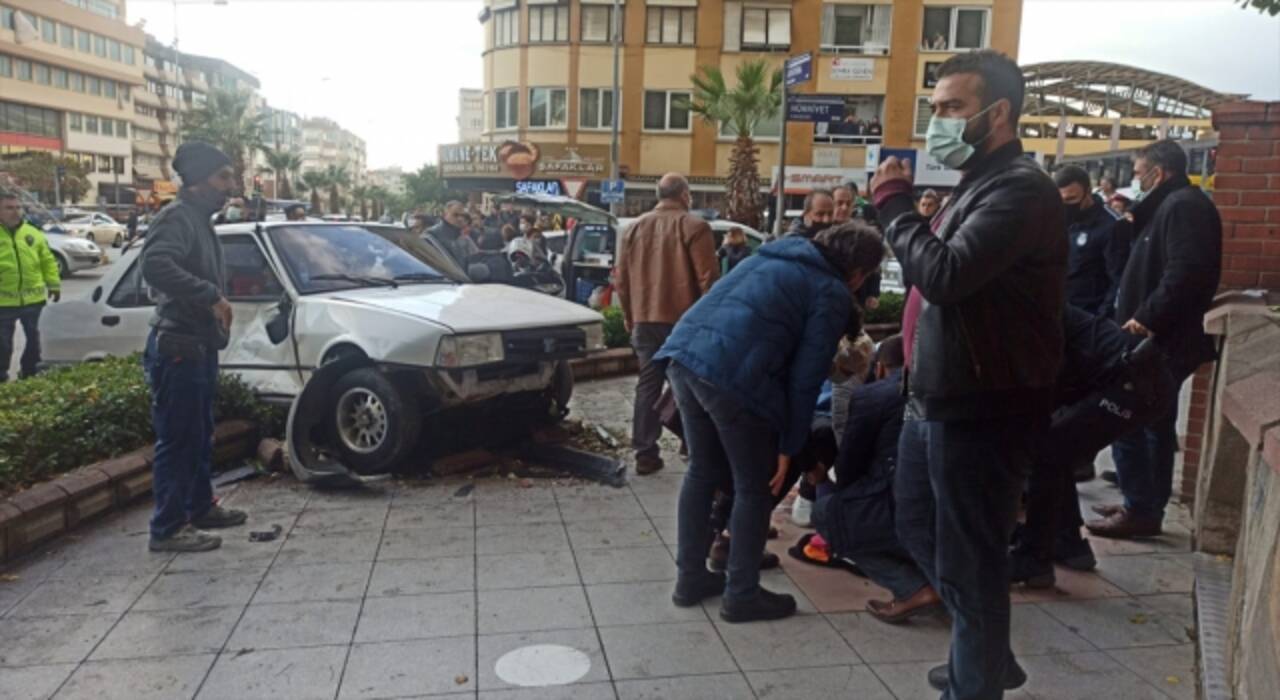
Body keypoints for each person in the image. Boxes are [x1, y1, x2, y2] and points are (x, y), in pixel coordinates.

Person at [870, 50, 1066, 697]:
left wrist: (894, 206)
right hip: (937, 397)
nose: (938, 123)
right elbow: (952, 286)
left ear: (998, 113)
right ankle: (977, 655)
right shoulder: (978, 183)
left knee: (971, 563)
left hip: (982, 408)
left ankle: (973, 681)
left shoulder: (1019, 188)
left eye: (952, 108)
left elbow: (946, 276)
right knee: (924, 531)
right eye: (935, 109)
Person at [658, 223, 885, 623]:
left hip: (683, 357)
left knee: (702, 471)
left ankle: (690, 579)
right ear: (859, 272)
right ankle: (741, 594)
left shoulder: (771, 255)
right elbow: (806, 377)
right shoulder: (830, 291)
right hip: (730, 377)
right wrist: (789, 446)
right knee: (755, 485)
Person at [1087, 139, 1222, 539]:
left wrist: (1145, 319)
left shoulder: (1183, 207)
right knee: (1148, 424)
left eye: (1138, 173)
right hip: (1153, 339)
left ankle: (1142, 510)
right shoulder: (1169, 206)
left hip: (1158, 342)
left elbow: (1185, 272)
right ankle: (1138, 500)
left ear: (1158, 173)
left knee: (1132, 419)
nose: (1134, 181)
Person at [140, 142, 249, 552]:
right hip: (178, 345)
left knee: (200, 432)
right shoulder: (177, 218)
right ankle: (168, 528)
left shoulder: (198, 219)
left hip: (197, 344)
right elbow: (155, 264)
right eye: (223, 177)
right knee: (179, 437)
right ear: (201, 180)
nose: (230, 186)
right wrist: (209, 294)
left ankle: (200, 506)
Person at [803, 335, 943, 623]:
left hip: (904, 506)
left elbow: (848, 468)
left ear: (880, 368)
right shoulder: (951, 388)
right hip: (959, 508)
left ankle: (913, 588)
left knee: (830, 516)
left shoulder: (874, 396)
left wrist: (824, 485)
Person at [614, 173, 719, 476]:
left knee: (648, 384)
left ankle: (645, 453)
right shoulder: (694, 226)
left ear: (658, 194)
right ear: (685, 195)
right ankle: (692, 445)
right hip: (685, 320)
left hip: (645, 318)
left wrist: (628, 314)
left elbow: (621, 280)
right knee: (687, 384)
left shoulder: (634, 228)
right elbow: (708, 280)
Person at [0, 192, 61, 383]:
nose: (15, 212)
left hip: (34, 299)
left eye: (18, 207)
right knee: (3, 345)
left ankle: (29, 374)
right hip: (3, 302)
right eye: (9, 208)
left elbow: (47, 261)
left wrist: (54, 284)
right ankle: (2, 378)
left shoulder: (32, 233)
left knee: (36, 341)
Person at [1055, 166, 1128, 316]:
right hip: (1059, 311)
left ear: (1088, 192)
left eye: (1072, 199)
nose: (1066, 205)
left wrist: (1101, 318)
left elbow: (1119, 279)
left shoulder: (1112, 225)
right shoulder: (1058, 219)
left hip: (1089, 316)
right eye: (1061, 200)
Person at [427, 201, 479, 267]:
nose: (460, 218)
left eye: (462, 215)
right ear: (445, 214)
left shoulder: (461, 236)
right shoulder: (432, 233)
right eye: (455, 215)